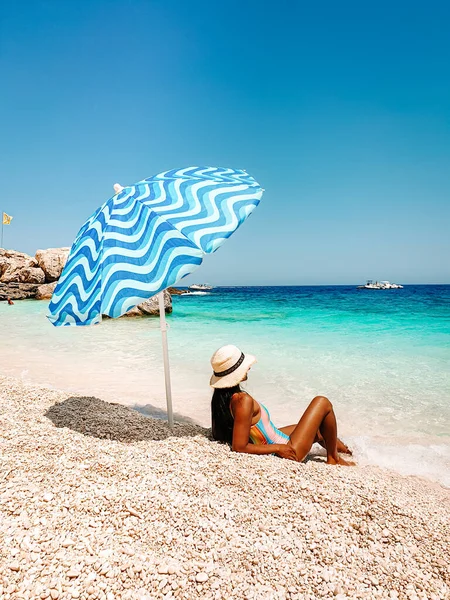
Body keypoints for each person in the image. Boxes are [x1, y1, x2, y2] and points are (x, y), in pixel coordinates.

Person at [210, 345, 354, 465]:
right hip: (290, 451)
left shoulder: (222, 399)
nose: (249, 368)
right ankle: (334, 458)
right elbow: (239, 447)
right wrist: (278, 448)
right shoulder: (242, 400)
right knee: (322, 402)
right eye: (245, 366)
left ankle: (347, 452)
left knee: (321, 431)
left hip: (271, 440)